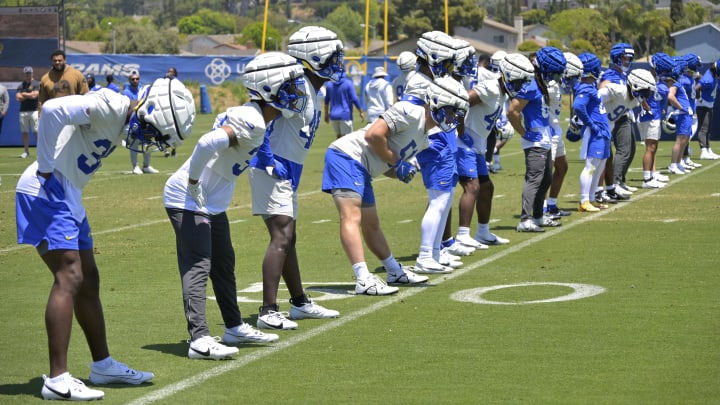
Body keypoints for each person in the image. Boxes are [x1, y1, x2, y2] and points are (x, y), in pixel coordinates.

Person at [14, 76, 192, 400]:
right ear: (145, 109)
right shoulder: (110, 104)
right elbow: (52, 109)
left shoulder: (124, 117)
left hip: (70, 195)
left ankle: (103, 365)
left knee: (89, 279)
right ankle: (57, 379)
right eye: (151, 132)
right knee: (69, 276)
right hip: (47, 190)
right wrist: (44, 168)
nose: (148, 140)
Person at [163, 53, 306, 358]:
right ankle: (199, 339)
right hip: (188, 198)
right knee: (199, 265)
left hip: (210, 202)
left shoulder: (256, 118)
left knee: (224, 264)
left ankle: (233, 326)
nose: (296, 94)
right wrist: (192, 182)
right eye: (289, 88)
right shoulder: (252, 119)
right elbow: (206, 144)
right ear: (269, 91)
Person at [321, 76, 469, 295]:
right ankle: (363, 278)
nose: (452, 118)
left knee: (372, 224)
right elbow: (373, 135)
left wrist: (398, 172)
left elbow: (386, 158)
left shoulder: (425, 136)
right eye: (450, 111)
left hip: (363, 166)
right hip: (346, 156)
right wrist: (398, 163)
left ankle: (393, 270)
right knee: (351, 217)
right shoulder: (409, 110)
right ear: (437, 101)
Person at [248, 27, 343, 330]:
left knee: (289, 237)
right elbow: (258, 117)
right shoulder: (296, 87)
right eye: (332, 56)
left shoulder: (312, 88)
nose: (337, 62)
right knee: (282, 236)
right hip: (275, 167)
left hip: (290, 168)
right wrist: (266, 158)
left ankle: (299, 302)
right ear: (313, 56)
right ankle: (268, 310)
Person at [409, 31, 470, 274]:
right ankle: (425, 255)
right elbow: (418, 117)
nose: (447, 68)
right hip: (435, 142)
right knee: (438, 201)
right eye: (444, 62)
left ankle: (436, 252)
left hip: (445, 140)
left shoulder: (429, 80)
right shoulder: (419, 82)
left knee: (444, 202)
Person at [454, 45, 511, 251]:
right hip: (465, 142)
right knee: (473, 187)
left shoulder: (501, 91)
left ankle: (483, 232)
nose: (521, 86)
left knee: (486, 187)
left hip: (477, 144)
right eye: (520, 80)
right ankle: (462, 235)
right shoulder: (490, 87)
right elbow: (460, 102)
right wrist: (460, 131)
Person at [501, 53, 559, 233]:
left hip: (544, 136)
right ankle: (525, 219)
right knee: (534, 178)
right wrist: (524, 133)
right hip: (535, 138)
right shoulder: (531, 84)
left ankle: (538, 216)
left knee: (547, 178)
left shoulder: (539, 83)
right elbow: (512, 111)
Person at [570, 52, 613, 212]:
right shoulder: (586, 88)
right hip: (595, 132)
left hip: (603, 132)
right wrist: (592, 125)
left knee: (600, 165)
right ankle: (584, 200)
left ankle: (592, 198)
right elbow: (578, 107)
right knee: (591, 166)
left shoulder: (590, 87)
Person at [597, 43, 637, 201]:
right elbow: (602, 89)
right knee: (622, 150)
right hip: (614, 117)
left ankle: (618, 182)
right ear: (617, 58)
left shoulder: (622, 74)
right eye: (625, 58)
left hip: (622, 115)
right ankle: (615, 183)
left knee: (628, 149)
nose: (628, 61)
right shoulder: (611, 74)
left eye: (629, 58)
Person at [539, 48, 575, 218]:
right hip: (547, 131)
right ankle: (543, 207)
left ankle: (552, 204)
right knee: (545, 172)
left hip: (555, 129)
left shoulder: (553, 83)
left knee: (562, 166)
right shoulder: (543, 84)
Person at [639, 53, 672, 189]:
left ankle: (652, 173)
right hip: (650, 117)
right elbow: (640, 96)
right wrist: (649, 109)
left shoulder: (656, 78)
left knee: (653, 147)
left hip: (655, 116)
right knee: (650, 147)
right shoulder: (646, 77)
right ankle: (647, 178)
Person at [123, 71, 158, 174]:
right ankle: (135, 166)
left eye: (137, 79)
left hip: (144, 119)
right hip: (132, 119)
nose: (135, 81)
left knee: (147, 141)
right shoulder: (126, 92)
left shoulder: (143, 90)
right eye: (133, 79)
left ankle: (146, 166)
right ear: (129, 80)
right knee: (134, 142)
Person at [666, 58, 694, 175]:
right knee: (680, 140)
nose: (684, 72)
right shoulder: (675, 83)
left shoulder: (678, 82)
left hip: (686, 114)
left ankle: (678, 163)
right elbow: (670, 96)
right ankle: (673, 164)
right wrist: (681, 107)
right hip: (683, 114)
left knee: (685, 139)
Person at [324, 74, 365, 138]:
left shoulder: (329, 84)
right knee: (347, 139)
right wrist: (361, 111)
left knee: (339, 138)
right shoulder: (348, 83)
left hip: (334, 115)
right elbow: (354, 98)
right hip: (345, 114)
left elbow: (326, 101)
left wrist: (326, 114)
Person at [696, 58, 720, 160]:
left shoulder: (712, 75)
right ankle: (703, 151)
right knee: (703, 128)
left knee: (708, 128)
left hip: (709, 104)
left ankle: (708, 148)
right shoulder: (709, 78)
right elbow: (697, 87)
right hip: (703, 105)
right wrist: (699, 99)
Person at [15, 66, 40, 159]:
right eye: (26, 73)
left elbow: (35, 96)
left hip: (34, 110)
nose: (28, 75)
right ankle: (26, 152)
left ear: (32, 73)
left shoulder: (36, 83)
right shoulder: (21, 85)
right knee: (24, 132)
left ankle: (39, 151)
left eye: (29, 73)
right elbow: (18, 98)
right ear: (24, 74)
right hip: (23, 111)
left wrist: (24, 94)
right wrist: (29, 94)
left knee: (36, 131)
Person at [164, 67, 179, 157]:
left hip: (174, 109)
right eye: (168, 71)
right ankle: (165, 149)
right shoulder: (164, 81)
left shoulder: (176, 82)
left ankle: (173, 149)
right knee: (164, 129)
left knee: (174, 130)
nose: (169, 73)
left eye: (171, 72)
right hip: (165, 108)